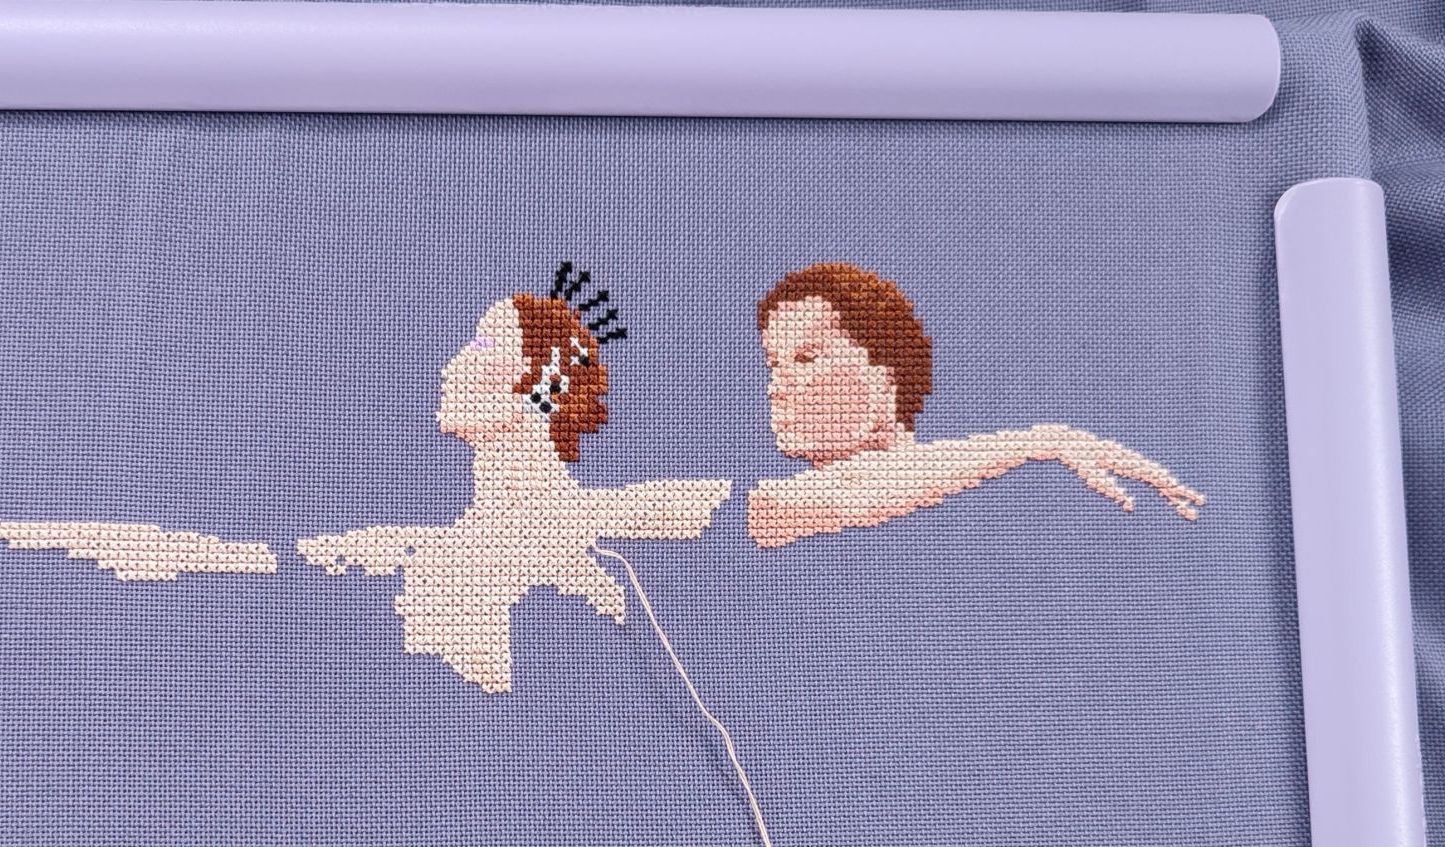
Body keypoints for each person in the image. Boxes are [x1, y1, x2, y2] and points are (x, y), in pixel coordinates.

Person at [301, 269, 730, 694]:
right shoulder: (453, 550)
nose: (455, 364)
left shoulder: (561, 548)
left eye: (483, 346)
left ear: (547, 383)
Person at [745, 263, 1201, 549]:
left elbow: (867, 484)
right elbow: (832, 494)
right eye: (774, 365)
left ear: (886, 372)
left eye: (807, 358)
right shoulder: (769, 510)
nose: (778, 386)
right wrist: (1037, 442)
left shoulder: (1010, 508)